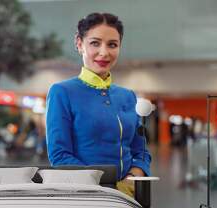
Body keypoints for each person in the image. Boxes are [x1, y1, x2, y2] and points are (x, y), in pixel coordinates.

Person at [46, 12, 151, 197]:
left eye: (112, 45)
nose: (104, 52)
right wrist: (104, 186)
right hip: (85, 195)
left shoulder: (128, 96)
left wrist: (132, 178)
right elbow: (59, 155)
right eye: (95, 43)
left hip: (129, 196)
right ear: (79, 44)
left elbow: (141, 151)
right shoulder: (62, 92)